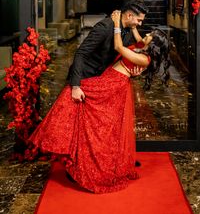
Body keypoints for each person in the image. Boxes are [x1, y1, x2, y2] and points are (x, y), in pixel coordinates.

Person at [28, 11, 170, 194]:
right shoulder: (143, 47)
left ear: (154, 45)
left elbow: (119, 47)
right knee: (80, 105)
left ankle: (79, 156)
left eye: (150, 36)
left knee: (79, 103)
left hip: (112, 85)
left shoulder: (144, 58)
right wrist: (133, 25)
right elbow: (139, 38)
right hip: (109, 79)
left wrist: (117, 24)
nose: (145, 35)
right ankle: (73, 152)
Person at [68, 0, 149, 103]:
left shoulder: (129, 31)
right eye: (139, 20)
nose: (140, 24)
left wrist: (132, 70)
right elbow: (81, 54)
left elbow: (124, 54)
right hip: (83, 76)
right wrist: (75, 86)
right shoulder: (105, 27)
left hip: (101, 79)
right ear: (129, 16)